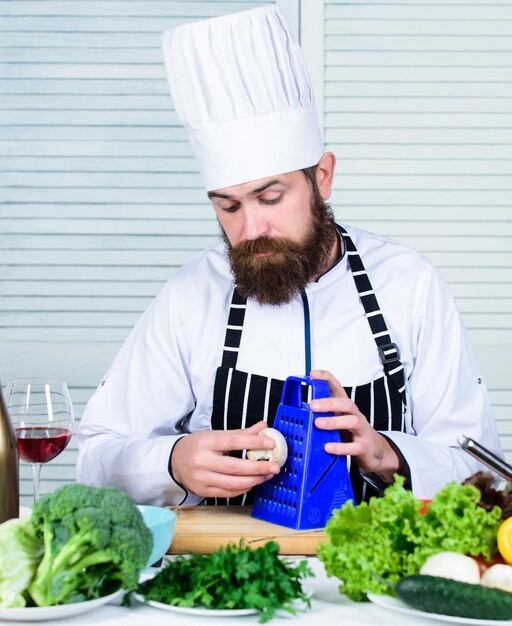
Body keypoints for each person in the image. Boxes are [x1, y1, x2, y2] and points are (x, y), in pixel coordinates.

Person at [76, 5, 502, 506]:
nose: (251, 229)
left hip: (374, 580)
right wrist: (171, 461)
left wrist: (387, 454)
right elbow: (97, 459)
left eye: (271, 197)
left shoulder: (410, 284)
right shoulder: (191, 294)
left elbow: (483, 472)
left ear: (321, 177)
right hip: (230, 571)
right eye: (229, 206)